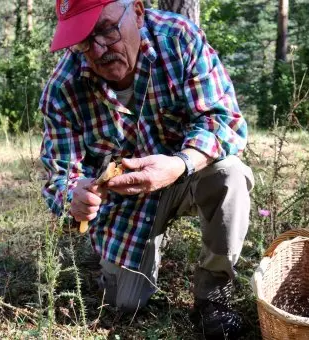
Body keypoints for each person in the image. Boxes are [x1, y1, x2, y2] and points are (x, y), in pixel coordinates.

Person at [39, 0, 254, 338]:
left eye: (106, 30)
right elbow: (60, 173)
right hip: (126, 201)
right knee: (125, 304)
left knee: (230, 173)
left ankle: (212, 293)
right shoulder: (63, 88)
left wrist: (181, 164)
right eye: (83, 39)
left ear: (137, 12)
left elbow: (223, 121)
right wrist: (73, 195)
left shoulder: (178, 39)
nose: (97, 50)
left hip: (188, 173)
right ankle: (119, 258)